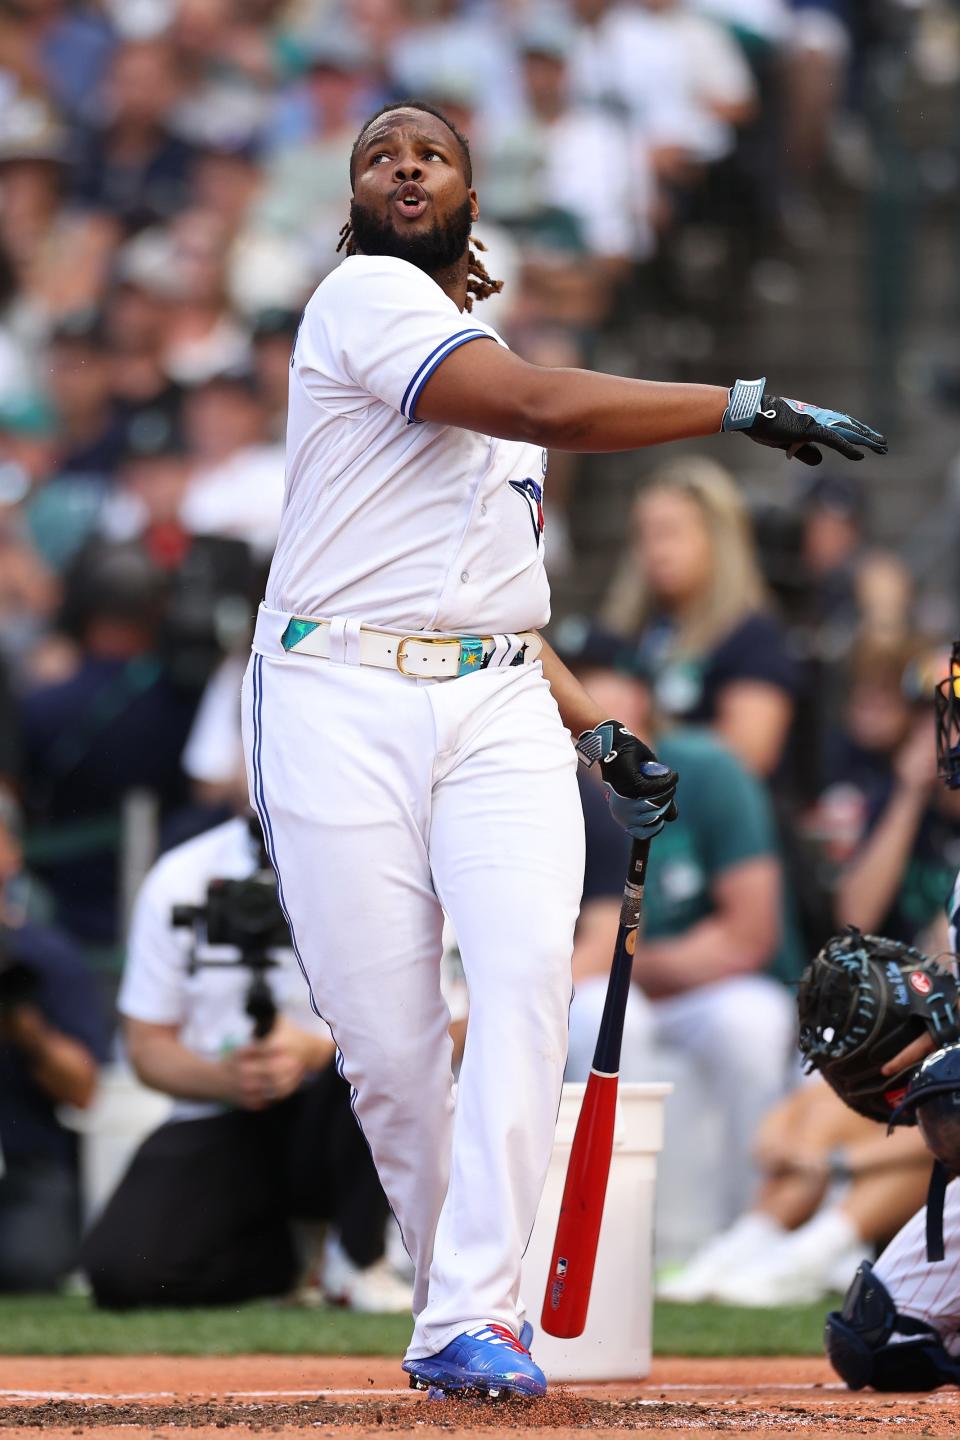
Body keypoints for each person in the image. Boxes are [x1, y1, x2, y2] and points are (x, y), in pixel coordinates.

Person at [241, 98, 883, 1400]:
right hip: (336, 691)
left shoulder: (489, 373)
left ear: (471, 203)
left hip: (492, 703)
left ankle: (474, 1315)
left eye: (432, 154)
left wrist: (597, 732)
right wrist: (735, 401)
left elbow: (499, 602)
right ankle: (456, 1311)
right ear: (355, 201)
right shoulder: (361, 299)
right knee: (395, 1052)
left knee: (532, 986)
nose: (405, 165)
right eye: (380, 154)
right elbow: (541, 398)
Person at [81, 810, 411, 1313]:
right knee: (122, 1271)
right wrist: (225, 1078)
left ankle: (360, 1256)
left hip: (344, 1109)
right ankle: (284, 1263)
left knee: (375, 1068)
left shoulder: (395, 859)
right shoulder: (183, 873)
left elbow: (448, 1027)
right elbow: (146, 1045)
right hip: (224, 1110)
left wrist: (316, 1051)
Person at [556, 622, 801, 1228]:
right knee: (606, 1014)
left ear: (642, 697)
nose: (581, 709)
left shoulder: (705, 768)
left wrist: (638, 966)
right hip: (590, 980)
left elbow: (749, 933)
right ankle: (614, 1233)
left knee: (755, 1020)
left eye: (603, 687)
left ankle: (755, 1227)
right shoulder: (543, 786)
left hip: (689, 985)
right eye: (573, 690)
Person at [602, 457, 800, 779]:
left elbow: (749, 756)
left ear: (717, 539)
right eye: (643, 534)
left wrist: (635, 742)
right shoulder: (633, 631)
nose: (654, 550)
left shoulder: (753, 634)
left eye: (669, 533)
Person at [0, 794, 111, 1292]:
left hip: (25, 1163)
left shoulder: (46, 956)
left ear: (10, 852)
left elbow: (83, 1090)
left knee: (27, 1267)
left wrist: (27, 1028)